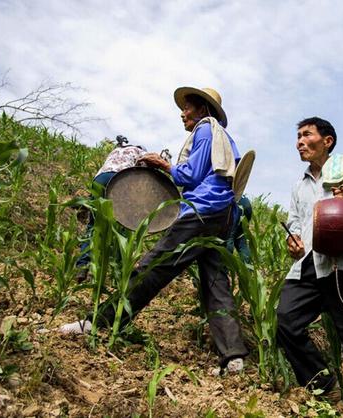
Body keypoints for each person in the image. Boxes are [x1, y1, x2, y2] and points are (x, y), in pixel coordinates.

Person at [60, 87, 248, 373]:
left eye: (187, 107)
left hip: (201, 211)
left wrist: (165, 165)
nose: (182, 113)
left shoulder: (205, 130)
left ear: (202, 109)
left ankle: (98, 323)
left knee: (153, 266)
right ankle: (233, 356)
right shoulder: (224, 138)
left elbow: (192, 174)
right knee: (215, 283)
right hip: (222, 214)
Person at [277, 117, 343, 418]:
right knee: (286, 321)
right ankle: (322, 382)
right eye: (297, 136)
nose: (299, 141)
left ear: (327, 141)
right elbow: (295, 224)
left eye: (306, 134)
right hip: (309, 266)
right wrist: (294, 242)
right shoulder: (299, 186)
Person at [74, 137, 146, 282]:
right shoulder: (140, 151)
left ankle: (83, 266)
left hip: (100, 179)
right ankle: (120, 269)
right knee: (123, 227)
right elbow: (143, 175)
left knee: (93, 225)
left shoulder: (116, 151)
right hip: (120, 179)